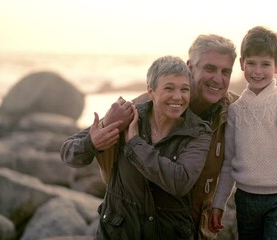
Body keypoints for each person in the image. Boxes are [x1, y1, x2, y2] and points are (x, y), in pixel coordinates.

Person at [94, 33, 277, 239]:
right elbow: (94, 150)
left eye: (225, 72)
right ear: (190, 66)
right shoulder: (149, 105)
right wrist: (103, 128)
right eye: (210, 68)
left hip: (192, 229)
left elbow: (273, 147)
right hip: (139, 227)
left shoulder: (236, 109)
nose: (217, 79)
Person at [60, 55, 212, 239]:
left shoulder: (198, 133)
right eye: (169, 88)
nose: (178, 97)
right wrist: (92, 143)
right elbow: (68, 154)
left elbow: (179, 182)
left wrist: (134, 143)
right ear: (151, 91)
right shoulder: (126, 117)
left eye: (185, 89)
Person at [208, 26, 277, 239]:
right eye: (251, 63)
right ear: (241, 64)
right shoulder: (236, 110)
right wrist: (218, 204)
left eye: (265, 64)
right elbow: (229, 161)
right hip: (245, 199)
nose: (258, 71)